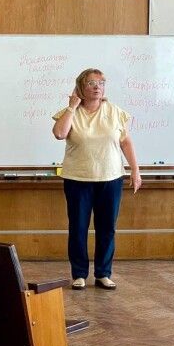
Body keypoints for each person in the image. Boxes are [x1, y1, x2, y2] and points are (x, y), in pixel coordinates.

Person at [52, 68, 142, 290]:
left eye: (101, 82)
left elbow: (126, 143)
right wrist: (72, 107)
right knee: (78, 228)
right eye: (91, 82)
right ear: (80, 87)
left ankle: (103, 273)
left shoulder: (116, 112)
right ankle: (79, 274)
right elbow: (59, 134)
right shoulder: (70, 112)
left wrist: (135, 170)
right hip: (77, 179)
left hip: (110, 178)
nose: (97, 86)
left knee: (107, 228)